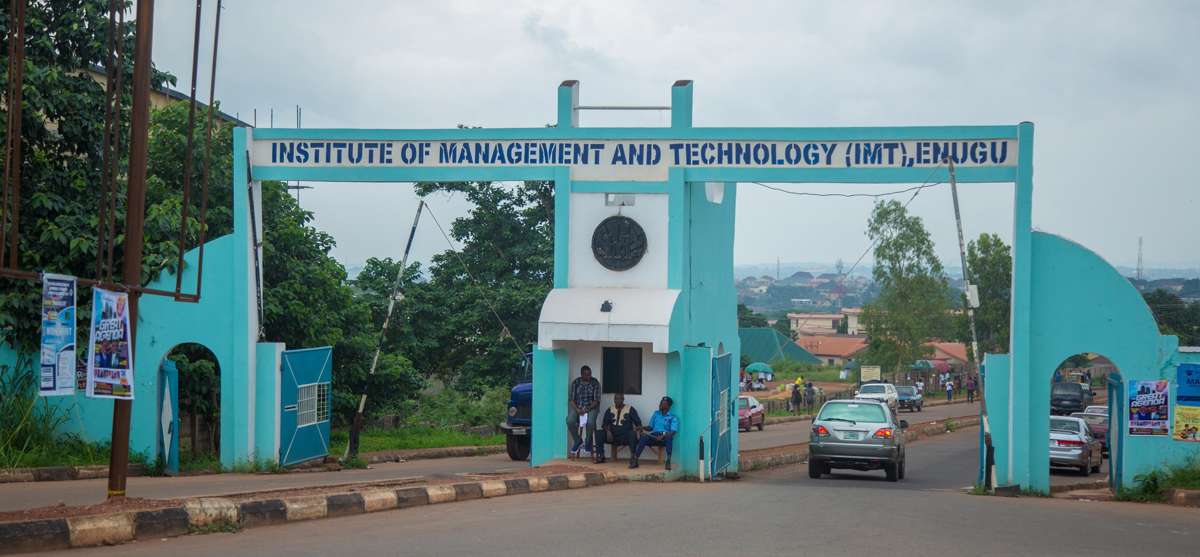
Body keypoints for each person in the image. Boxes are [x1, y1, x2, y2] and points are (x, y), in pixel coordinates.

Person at [633, 396, 679, 470]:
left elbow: (673, 432)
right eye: (661, 403)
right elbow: (650, 427)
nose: (661, 404)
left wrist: (663, 435)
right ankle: (635, 460)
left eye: (663, 403)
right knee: (644, 436)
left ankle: (668, 461)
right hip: (654, 435)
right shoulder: (656, 414)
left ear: (668, 406)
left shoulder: (673, 417)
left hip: (664, 436)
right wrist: (642, 427)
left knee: (669, 437)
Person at [567, 365, 601, 458]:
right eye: (586, 374)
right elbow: (571, 399)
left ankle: (588, 440)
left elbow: (596, 400)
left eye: (590, 374)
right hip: (578, 407)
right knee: (569, 420)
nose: (589, 376)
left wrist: (587, 408)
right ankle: (578, 440)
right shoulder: (576, 383)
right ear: (581, 374)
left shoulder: (595, 382)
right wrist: (577, 409)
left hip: (591, 407)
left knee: (590, 422)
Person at [596, 393, 641, 464]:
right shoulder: (610, 409)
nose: (618, 400)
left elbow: (638, 424)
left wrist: (637, 431)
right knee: (599, 433)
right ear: (614, 400)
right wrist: (608, 431)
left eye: (620, 399)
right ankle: (601, 456)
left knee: (632, 434)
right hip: (612, 436)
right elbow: (604, 424)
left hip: (625, 436)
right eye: (616, 399)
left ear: (623, 399)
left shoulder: (630, 409)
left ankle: (633, 457)